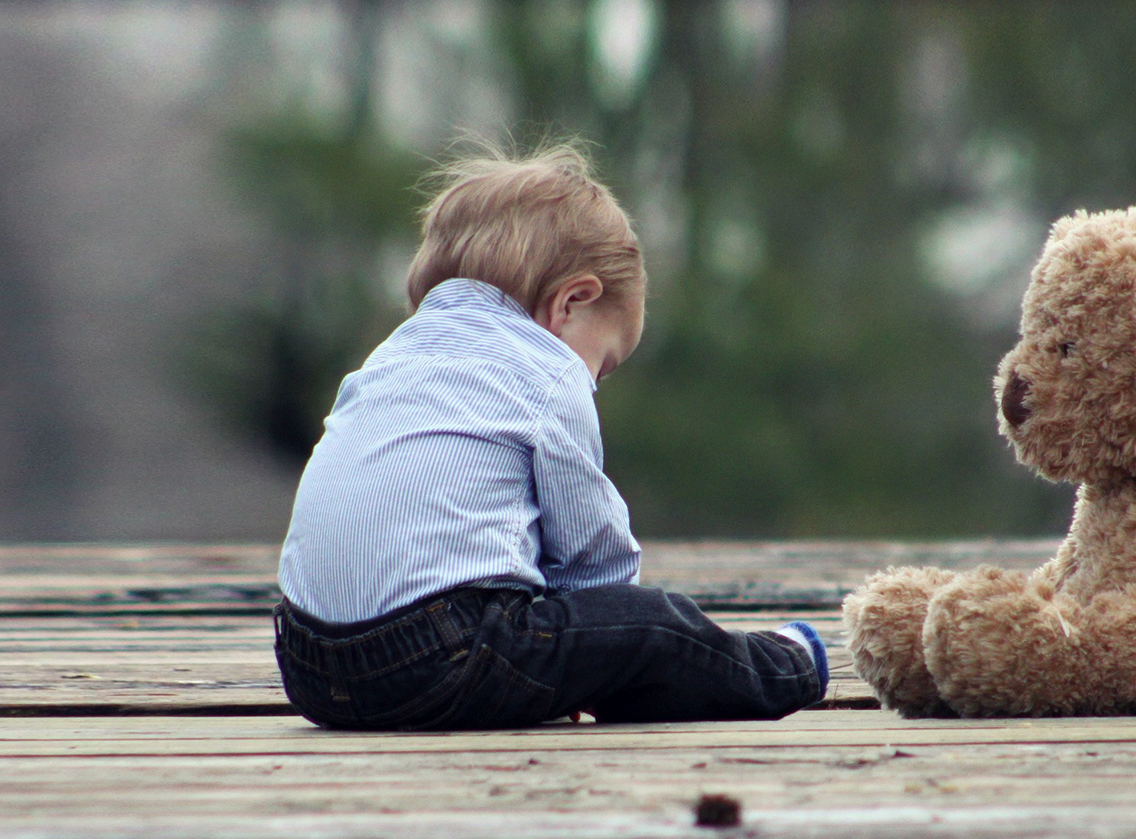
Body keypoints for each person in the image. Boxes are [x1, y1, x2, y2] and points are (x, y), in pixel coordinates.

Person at [272, 141, 828, 731]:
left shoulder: (389, 358)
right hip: (440, 659)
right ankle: (786, 665)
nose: (594, 384)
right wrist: (605, 647)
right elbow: (594, 557)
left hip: (308, 666)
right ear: (571, 302)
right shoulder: (547, 370)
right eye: (603, 365)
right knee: (655, 626)